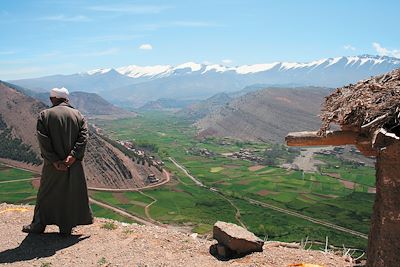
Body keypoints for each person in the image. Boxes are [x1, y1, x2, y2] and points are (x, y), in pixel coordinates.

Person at [22, 87, 93, 235]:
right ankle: (66, 227)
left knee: (45, 193)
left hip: (52, 165)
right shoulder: (78, 115)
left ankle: (38, 225)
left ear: (52, 99)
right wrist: (73, 156)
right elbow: (84, 137)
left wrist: (54, 160)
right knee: (71, 193)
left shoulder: (45, 115)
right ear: (67, 99)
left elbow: (43, 140)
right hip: (73, 164)